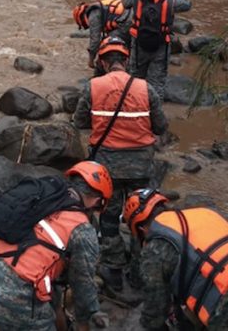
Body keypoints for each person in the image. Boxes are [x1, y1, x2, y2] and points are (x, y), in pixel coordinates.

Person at [0, 161, 113, 331]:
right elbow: (83, 285)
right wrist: (85, 319)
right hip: (12, 295)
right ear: (97, 200)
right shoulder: (81, 229)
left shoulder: (42, 194)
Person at [73, 36, 168, 295]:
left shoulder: (92, 87)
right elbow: (161, 126)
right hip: (141, 166)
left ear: (103, 62)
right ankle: (139, 274)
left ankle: (113, 271)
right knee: (143, 216)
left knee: (109, 217)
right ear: (126, 60)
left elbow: (80, 121)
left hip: (107, 166)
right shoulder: (145, 88)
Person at [122, 189, 228, 331]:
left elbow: (155, 308)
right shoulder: (204, 213)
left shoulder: (155, 248)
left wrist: (148, 324)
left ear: (141, 229)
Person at [118, 0, 190, 98]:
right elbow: (187, 5)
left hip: (139, 44)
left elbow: (123, 4)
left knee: (135, 78)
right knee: (157, 84)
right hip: (161, 45)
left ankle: (133, 110)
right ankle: (153, 115)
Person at [72, 0, 126, 74]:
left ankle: (102, 75)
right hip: (130, 20)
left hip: (126, 23)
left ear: (81, 18)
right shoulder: (101, 7)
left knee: (108, 47)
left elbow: (95, 40)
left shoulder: (93, 14)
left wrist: (91, 60)